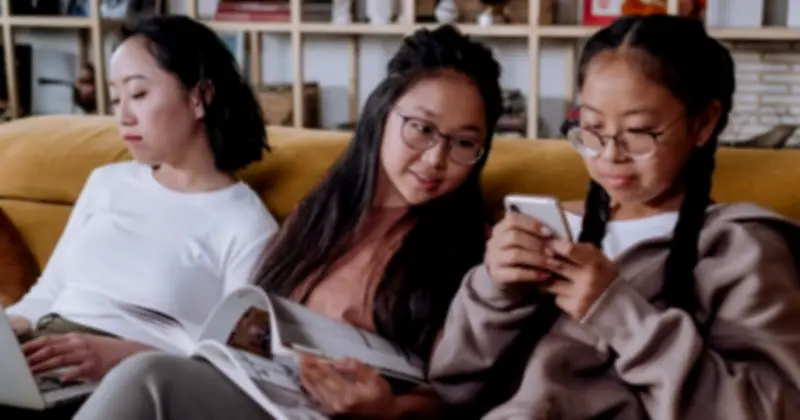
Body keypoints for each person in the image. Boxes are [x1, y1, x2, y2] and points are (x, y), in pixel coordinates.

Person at [72, 23, 503, 420]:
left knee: (147, 377)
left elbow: (459, 398)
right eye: (422, 129)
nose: (436, 159)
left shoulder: (476, 253)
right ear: (382, 113)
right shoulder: (323, 211)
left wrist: (388, 410)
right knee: (144, 375)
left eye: (464, 143)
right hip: (263, 397)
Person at [429, 15, 800, 420]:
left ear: (704, 122)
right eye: (591, 128)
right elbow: (451, 387)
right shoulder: (552, 227)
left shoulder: (737, 246)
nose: (609, 155)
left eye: (638, 132)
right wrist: (493, 290)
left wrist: (617, 311)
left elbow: (769, 408)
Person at [2, 14, 278, 418]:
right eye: (117, 99)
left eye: (139, 94)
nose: (123, 116)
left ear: (200, 96)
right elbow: (51, 290)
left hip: (129, 383)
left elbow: (240, 366)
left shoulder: (245, 225)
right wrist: (9, 330)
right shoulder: (107, 182)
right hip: (42, 359)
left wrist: (126, 355)